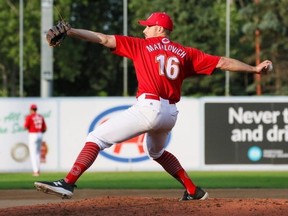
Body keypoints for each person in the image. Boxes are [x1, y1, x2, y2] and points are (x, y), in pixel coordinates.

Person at [34, 12, 272, 200]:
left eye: (148, 25)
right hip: (170, 113)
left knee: (96, 137)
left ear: (159, 29)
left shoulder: (140, 45)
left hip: (148, 107)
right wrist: (253, 69)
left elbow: (103, 38)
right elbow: (222, 62)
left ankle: (68, 183)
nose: (144, 29)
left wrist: (72, 31)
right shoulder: (185, 52)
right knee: (156, 152)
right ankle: (193, 190)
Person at [24, 104, 47, 176]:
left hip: (33, 134)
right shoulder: (40, 116)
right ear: (36, 109)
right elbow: (45, 128)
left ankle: (35, 171)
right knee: (37, 153)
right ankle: (38, 169)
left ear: (31, 109)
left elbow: (25, 126)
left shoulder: (29, 116)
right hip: (40, 134)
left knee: (33, 154)